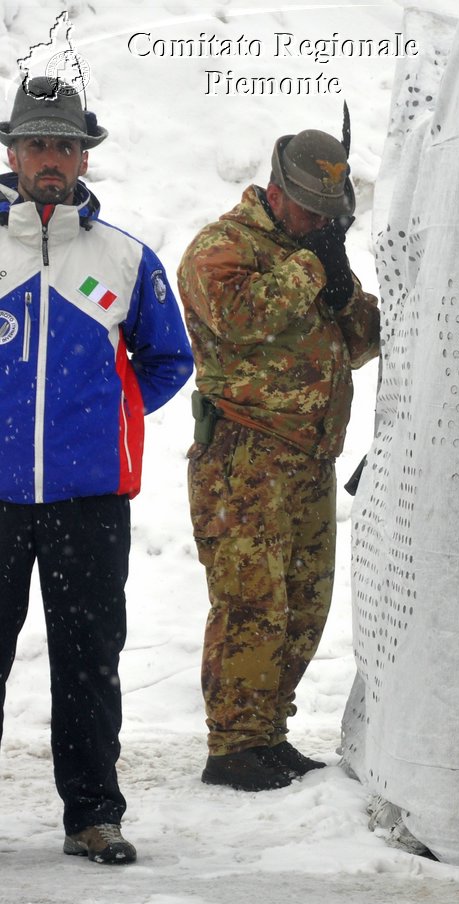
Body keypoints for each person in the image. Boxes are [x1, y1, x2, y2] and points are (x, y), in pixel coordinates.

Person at [0, 77, 194, 863]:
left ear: (85, 159)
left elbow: (168, 357)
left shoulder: (124, 257)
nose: (54, 160)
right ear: (12, 152)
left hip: (89, 499)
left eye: (68, 147)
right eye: (40, 144)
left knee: (89, 659)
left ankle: (92, 814)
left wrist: (107, 420)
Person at [178, 127, 380, 792]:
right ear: (277, 189)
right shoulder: (223, 247)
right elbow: (240, 317)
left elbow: (357, 342)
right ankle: (233, 742)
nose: (318, 220)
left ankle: (268, 731)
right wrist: (312, 266)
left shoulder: (313, 252)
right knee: (250, 603)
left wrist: (343, 282)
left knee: (302, 604)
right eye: (309, 207)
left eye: (329, 210)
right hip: (245, 455)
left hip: (309, 459)